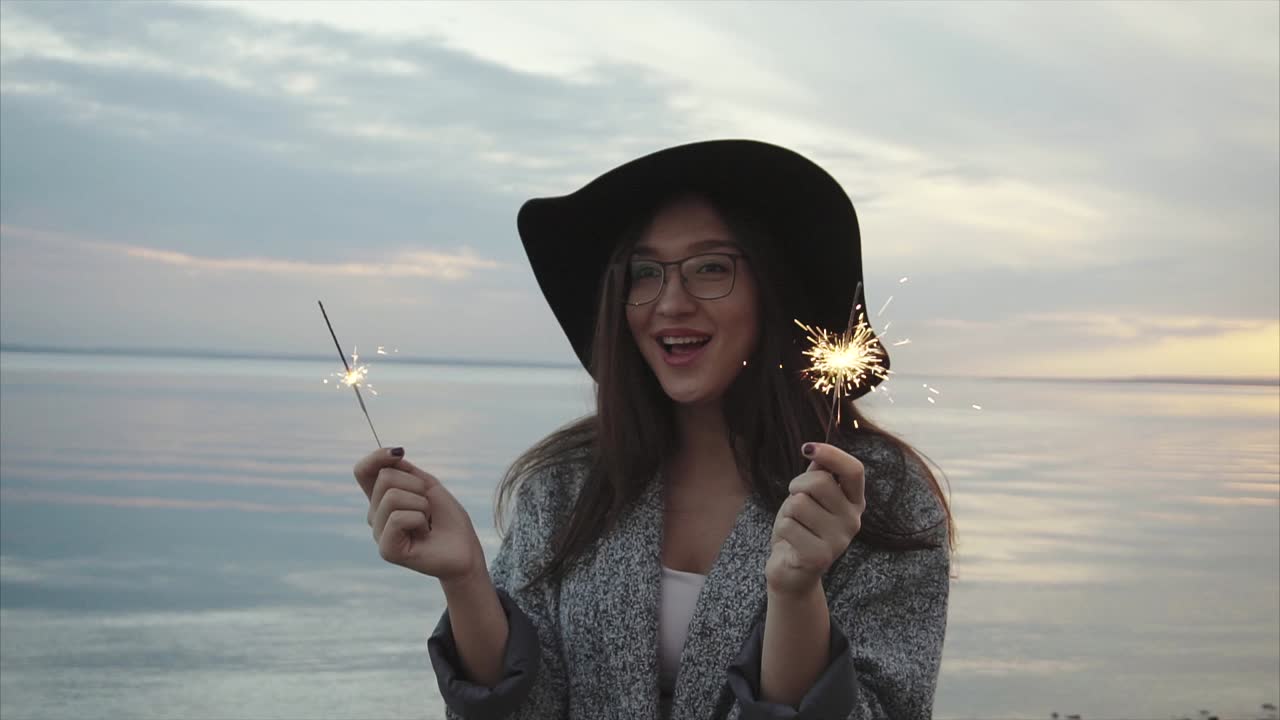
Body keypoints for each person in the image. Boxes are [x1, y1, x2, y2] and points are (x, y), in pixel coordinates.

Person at [352, 140, 954, 720]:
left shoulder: (880, 497)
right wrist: (465, 581)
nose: (669, 303)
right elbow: (525, 707)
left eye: (711, 267)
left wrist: (797, 596)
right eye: (645, 273)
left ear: (774, 288)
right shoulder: (567, 484)